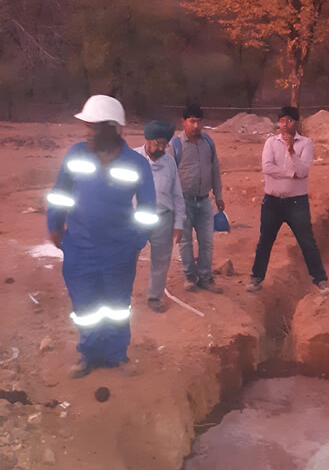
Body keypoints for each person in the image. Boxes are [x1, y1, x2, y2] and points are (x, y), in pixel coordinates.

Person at [47, 95, 157, 377]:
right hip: (79, 249)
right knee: (85, 307)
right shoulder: (75, 155)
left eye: (93, 126)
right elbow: (60, 193)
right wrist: (55, 225)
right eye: (87, 126)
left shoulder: (137, 164)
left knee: (117, 306)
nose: (87, 132)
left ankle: (117, 355)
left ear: (113, 128)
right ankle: (89, 354)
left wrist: (136, 242)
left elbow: (147, 209)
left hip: (119, 252)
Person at [247, 106, 329, 293]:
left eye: (289, 120)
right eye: (282, 121)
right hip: (272, 202)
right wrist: (290, 173)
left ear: (296, 122)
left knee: (307, 242)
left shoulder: (306, 144)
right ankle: (256, 278)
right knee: (265, 241)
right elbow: (267, 167)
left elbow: (303, 171)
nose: (285, 125)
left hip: (296, 203)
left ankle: (320, 280)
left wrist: (291, 151)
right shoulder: (271, 143)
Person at [170, 103, 224, 293]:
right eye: (192, 121)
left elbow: (215, 169)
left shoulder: (208, 142)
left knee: (207, 241)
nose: (196, 126)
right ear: (183, 122)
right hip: (183, 202)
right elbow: (169, 176)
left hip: (204, 201)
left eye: (199, 121)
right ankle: (189, 277)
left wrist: (219, 195)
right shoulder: (175, 145)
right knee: (184, 241)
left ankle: (205, 277)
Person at [135, 120, 185, 313]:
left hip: (163, 219)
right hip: (136, 219)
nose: (162, 148)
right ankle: (121, 295)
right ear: (147, 140)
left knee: (161, 260)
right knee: (127, 258)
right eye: (158, 143)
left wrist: (178, 223)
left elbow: (177, 195)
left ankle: (154, 297)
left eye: (165, 144)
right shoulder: (133, 158)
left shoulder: (169, 162)